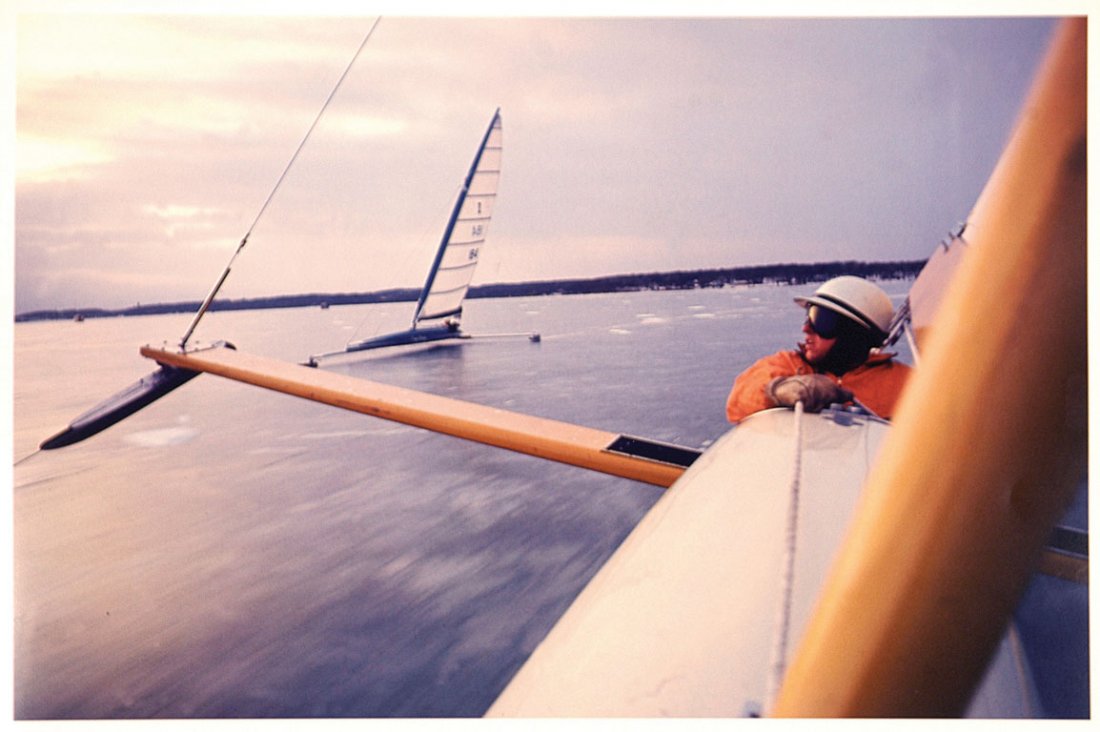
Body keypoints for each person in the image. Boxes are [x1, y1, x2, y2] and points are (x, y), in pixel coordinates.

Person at [726, 276, 912, 423]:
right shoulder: (789, 366)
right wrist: (777, 391)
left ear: (853, 334)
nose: (806, 329)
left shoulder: (904, 383)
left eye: (821, 320)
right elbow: (738, 403)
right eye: (809, 316)